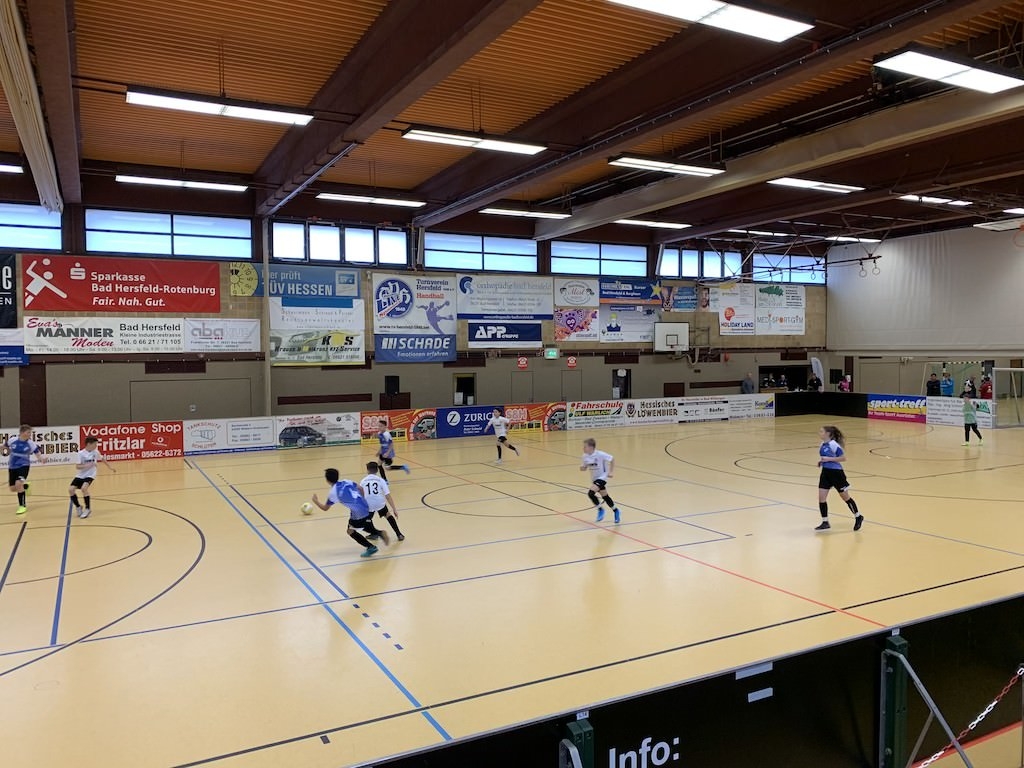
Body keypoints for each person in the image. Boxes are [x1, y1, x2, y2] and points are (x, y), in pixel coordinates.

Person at [312, 468, 389, 558]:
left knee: (350, 531)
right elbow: (361, 489)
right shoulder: (346, 481)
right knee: (363, 525)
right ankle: (379, 533)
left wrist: (316, 501)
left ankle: (371, 546)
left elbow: (325, 508)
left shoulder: (333, 492)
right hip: (365, 505)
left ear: (327, 480)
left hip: (358, 513)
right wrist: (362, 501)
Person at [815, 425, 863, 532]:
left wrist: (828, 459)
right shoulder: (822, 444)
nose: (819, 433)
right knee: (821, 498)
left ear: (828, 434)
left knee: (845, 497)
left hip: (836, 474)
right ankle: (825, 522)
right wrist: (821, 461)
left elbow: (843, 458)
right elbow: (825, 458)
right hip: (825, 473)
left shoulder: (833, 444)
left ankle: (858, 516)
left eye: (821, 431)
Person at [69, 435, 116, 519]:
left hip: (90, 475)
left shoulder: (95, 452)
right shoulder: (81, 453)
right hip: (80, 475)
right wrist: (88, 465)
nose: (96, 446)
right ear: (89, 444)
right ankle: (78, 507)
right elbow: (77, 466)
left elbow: (102, 459)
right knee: (71, 490)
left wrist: (110, 467)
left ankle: (88, 509)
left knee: (84, 488)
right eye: (95, 444)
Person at [4, 424, 46, 516]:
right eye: (28, 432)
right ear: (22, 432)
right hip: (12, 466)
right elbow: (5, 446)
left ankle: (22, 506)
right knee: (12, 488)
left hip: (24, 466)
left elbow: (37, 453)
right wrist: (5, 450)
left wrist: (42, 459)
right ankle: (26, 487)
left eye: (30, 432)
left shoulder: (30, 443)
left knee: (18, 484)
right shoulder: (12, 440)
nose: (30, 434)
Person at [360, 461, 404, 541]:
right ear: (377, 470)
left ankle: (374, 534)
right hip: (379, 503)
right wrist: (394, 509)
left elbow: (360, 496)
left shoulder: (363, 481)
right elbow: (388, 496)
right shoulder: (381, 480)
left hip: (369, 504)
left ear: (367, 470)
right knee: (388, 515)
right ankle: (399, 534)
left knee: (367, 518)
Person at [580, 437, 621, 524]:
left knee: (591, 493)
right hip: (594, 479)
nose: (583, 448)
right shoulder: (584, 456)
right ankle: (616, 510)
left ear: (591, 447)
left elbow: (612, 459)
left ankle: (600, 509)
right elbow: (584, 467)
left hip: (603, 477)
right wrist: (583, 468)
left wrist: (611, 472)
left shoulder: (600, 454)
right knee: (605, 496)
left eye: (585, 446)